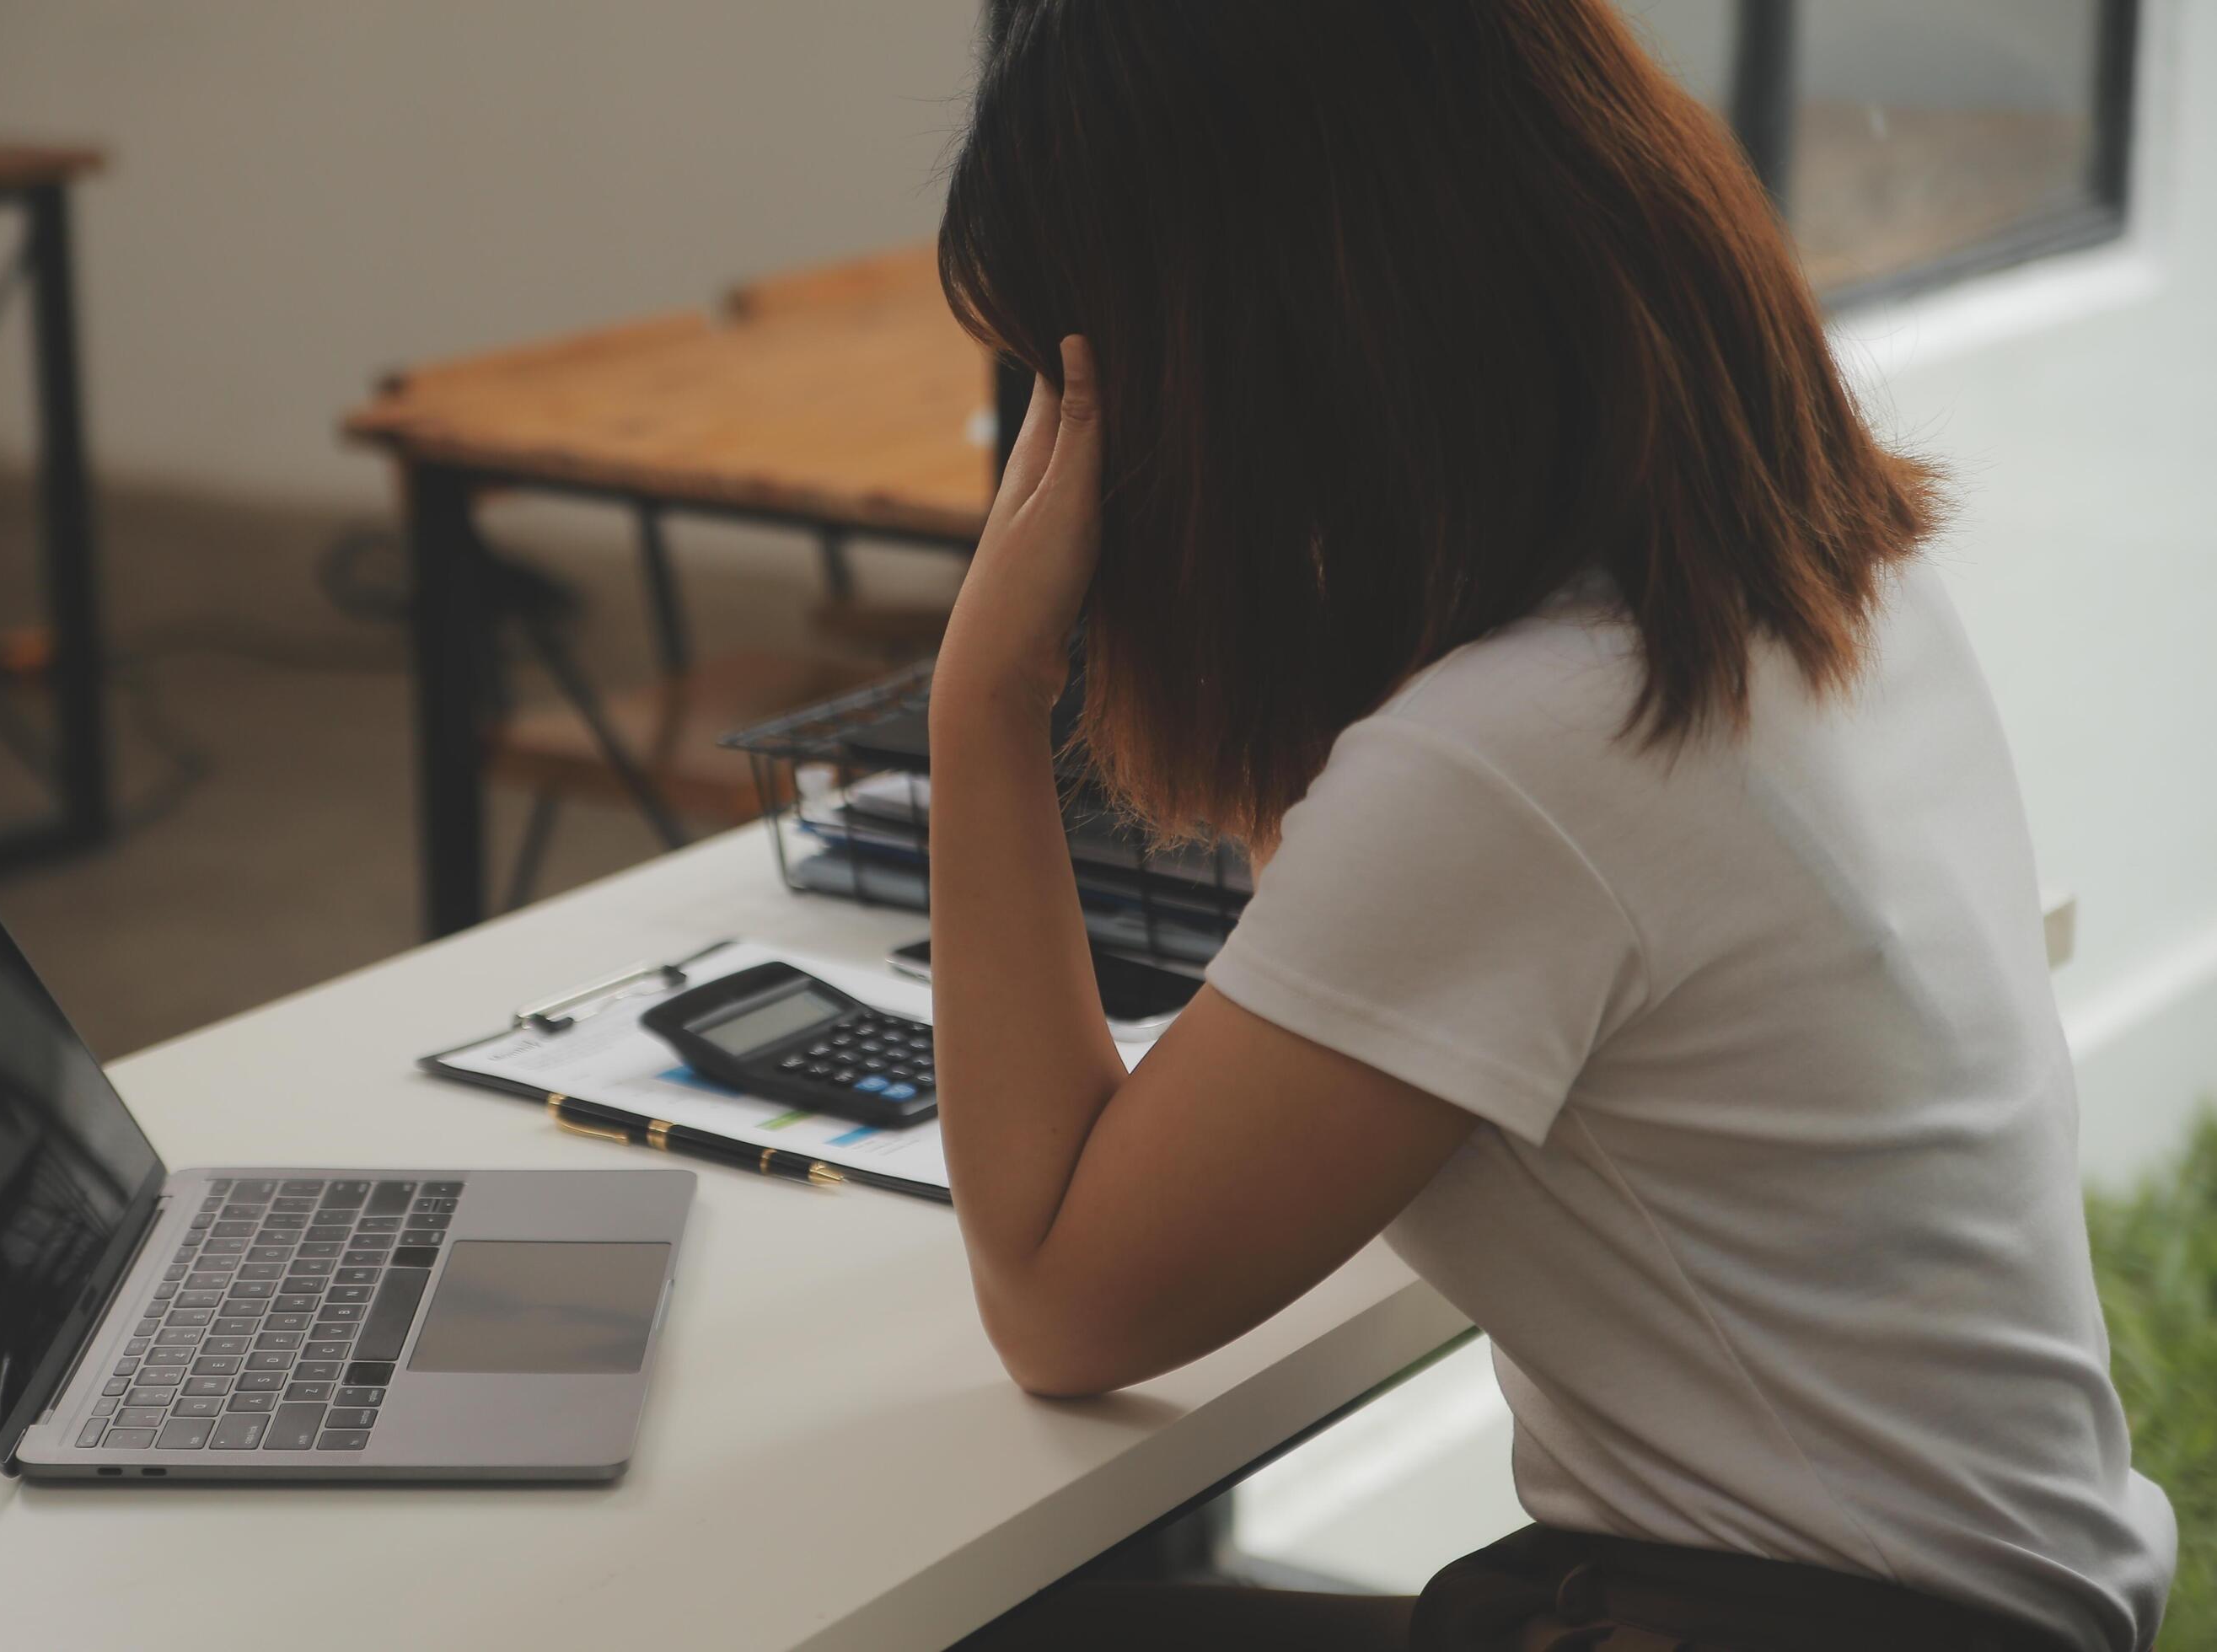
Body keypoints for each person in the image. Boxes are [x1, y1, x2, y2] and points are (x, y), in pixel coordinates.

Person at [920, 3, 2177, 1649]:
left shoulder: (1529, 749)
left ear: (1249, 354)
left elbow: (1059, 1296)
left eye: (1092, 377)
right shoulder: (1773, 574)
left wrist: (984, 699)